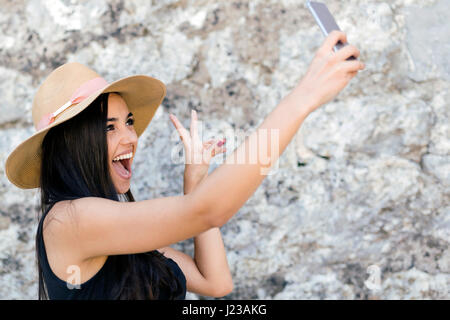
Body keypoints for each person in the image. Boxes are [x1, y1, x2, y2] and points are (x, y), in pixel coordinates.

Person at [4, 30, 364, 300]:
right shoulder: (69, 221)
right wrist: (302, 99)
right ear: (73, 146)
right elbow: (209, 211)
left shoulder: (123, 233)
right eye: (109, 128)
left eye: (128, 122)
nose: (130, 137)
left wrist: (194, 181)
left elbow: (216, 282)